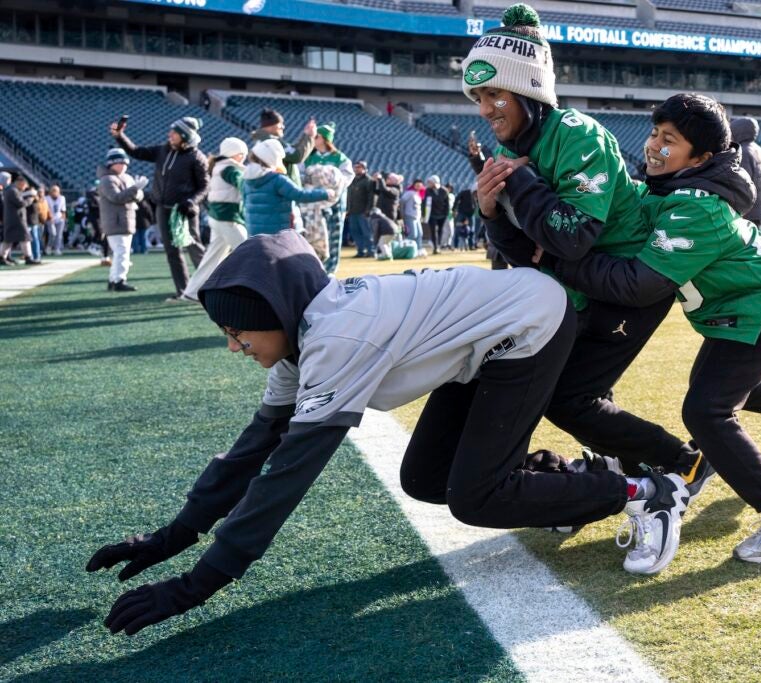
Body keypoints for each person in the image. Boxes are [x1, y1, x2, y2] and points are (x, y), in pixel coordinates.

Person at [85, 231, 693, 637]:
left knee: (476, 497)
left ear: (275, 314)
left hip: (529, 324)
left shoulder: (337, 338)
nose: (234, 345)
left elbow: (286, 478)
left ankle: (645, 492)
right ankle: (576, 479)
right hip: (481, 341)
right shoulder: (303, 340)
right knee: (425, 479)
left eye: (240, 332)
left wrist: (197, 585)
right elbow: (253, 449)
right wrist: (173, 537)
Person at [545, 93, 761, 564]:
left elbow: (640, 284)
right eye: (655, 133)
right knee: (727, 390)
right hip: (732, 312)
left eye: (670, 140)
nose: (654, 146)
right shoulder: (669, 189)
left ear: (700, 158)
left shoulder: (696, 206)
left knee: (707, 410)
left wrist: (559, 257)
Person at [466, 4, 708, 491]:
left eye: (495, 94)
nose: (485, 108)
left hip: (628, 279)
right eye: (478, 96)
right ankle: (634, 473)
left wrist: (525, 186)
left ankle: (684, 463)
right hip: (580, 287)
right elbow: (524, 249)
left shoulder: (577, 135)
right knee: (572, 393)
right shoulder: (509, 150)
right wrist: (491, 212)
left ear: (528, 90)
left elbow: (570, 238)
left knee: (570, 398)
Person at [111, 116, 209, 301]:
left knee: (194, 247)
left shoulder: (196, 157)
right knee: (172, 252)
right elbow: (136, 152)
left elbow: (204, 186)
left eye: (174, 132)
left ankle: (212, 286)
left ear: (184, 135)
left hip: (184, 211)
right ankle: (184, 292)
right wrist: (119, 136)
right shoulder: (163, 150)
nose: (169, 135)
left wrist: (191, 201)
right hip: (163, 209)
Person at [182, 138, 249, 301]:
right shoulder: (231, 169)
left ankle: (191, 292)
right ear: (238, 155)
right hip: (228, 218)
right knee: (250, 251)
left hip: (218, 217)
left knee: (211, 257)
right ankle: (253, 289)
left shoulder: (219, 167)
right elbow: (244, 187)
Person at [243, 139, 331, 236]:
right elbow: (300, 195)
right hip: (279, 233)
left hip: (254, 233)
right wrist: (325, 193)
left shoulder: (246, 180)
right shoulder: (277, 179)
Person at [305, 122, 354, 272]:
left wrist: (334, 188)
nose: (314, 138)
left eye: (317, 136)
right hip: (315, 203)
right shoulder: (308, 158)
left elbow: (347, 177)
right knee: (315, 235)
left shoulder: (340, 158)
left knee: (334, 235)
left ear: (325, 139)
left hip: (335, 202)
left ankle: (331, 269)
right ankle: (316, 267)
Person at [98, 148, 146, 292]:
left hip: (126, 219)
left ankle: (113, 280)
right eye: (120, 162)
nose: (123, 165)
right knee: (122, 252)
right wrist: (134, 190)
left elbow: (140, 196)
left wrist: (135, 191)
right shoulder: (106, 180)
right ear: (111, 164)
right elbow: (116, 197)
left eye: (125, 162)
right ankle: (119, 280)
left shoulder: (127, 177)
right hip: (115, 221)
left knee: (122, 252)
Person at [730, 116, 761, 228]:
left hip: (748, 208)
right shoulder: (757, 149)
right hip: (758, 206)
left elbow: (743, 182)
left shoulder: (744, 151)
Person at [0, 174, 41, 266]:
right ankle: (28, 257)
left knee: (8, 240)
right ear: (20, 183)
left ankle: (2, 257)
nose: (25, 187)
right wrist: (30, 199)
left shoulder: (10, 190)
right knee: (25, 238)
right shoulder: (13, 191)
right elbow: (21, 203)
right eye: (24, 185)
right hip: (17, 219)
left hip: (12, 219)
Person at [345, 160, 376, 258]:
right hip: (353, 211)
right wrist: (348, 209)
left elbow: (372, 197)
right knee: (355, 232)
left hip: (363, 212)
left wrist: (368, 210)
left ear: (364, 168)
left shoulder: (368, 180)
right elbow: (349, 197)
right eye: (355, 167)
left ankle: (371, 251)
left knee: (367, 232)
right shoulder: (352, 180)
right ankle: (360, 251)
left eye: (359, 167)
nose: (356, 169)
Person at [423, 175, 449, 255]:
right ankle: (435, 247)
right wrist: (424, 214)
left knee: (440, 231)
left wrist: (445, 213)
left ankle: (439, 245)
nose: (428, 183)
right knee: (433, 231)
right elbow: (425, 203)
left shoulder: (444, 191)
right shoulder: (427, 191)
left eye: (430, 182)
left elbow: (447, 204)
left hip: (442, 215)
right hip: (432, 214)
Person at [400, 179, 424, 252]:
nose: (418, 187)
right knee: (412, 234)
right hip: (409, 216)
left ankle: (418, 249)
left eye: (420, 185)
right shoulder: (409, 193)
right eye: (417, 185)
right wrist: (402, 214)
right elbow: (402, 201)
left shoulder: (418, 194)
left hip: (417, 218)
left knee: (420, 234)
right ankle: (407, 249)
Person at [45, 185, 67, 256]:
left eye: (56, 191)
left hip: (59, 218)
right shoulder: (47, 198)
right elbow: (46, 209)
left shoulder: (62, 198)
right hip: (50, 218)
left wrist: (63, 218)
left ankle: (57, 249)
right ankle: (49, 247)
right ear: (50, 192)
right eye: (53, 191)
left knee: (59, 235)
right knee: (52, 234)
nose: (54, 192)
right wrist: (50, 217)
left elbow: (63, 209)